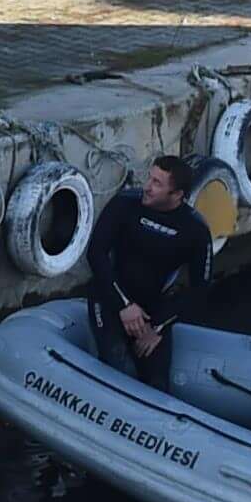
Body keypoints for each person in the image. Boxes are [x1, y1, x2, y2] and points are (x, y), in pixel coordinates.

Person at [86, 153, 212, 386]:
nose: (147, 187)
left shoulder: (195, 230)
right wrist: (124, 305)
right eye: (149, 178)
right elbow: (96, 253)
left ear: (177, 195)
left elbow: (200, 289)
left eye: (157, 183)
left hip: (152, 313)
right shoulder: (124, 204)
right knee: (118, 367)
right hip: (109, 299)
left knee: (157, 383)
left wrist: (158, 326)